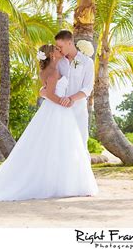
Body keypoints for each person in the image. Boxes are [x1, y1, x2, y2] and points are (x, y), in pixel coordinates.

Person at [0, 44, 99, 201]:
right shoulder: (54, 70)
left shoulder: (52, 68)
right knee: (62, 146)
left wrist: (49, 94)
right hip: (58, 110)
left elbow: (44, 91)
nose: (61, 51)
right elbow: (50, 94)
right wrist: (63, 102)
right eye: (57, 50)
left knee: (57, 147)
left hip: (54, 111)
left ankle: (61, 182)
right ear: (52, 55)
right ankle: (64, 184)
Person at [40, 30, 94, 160]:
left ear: (70, 43)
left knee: (81, 143)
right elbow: (50, 81)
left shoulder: (87, 62)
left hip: (78, 110)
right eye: (57, 47)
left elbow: (88, 88)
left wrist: (71, 99)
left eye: (61, 46)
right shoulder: (58, 61)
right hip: (59, 111)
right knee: (59, 145)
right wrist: (45, 90)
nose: (59, 49)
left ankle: (82, 178)